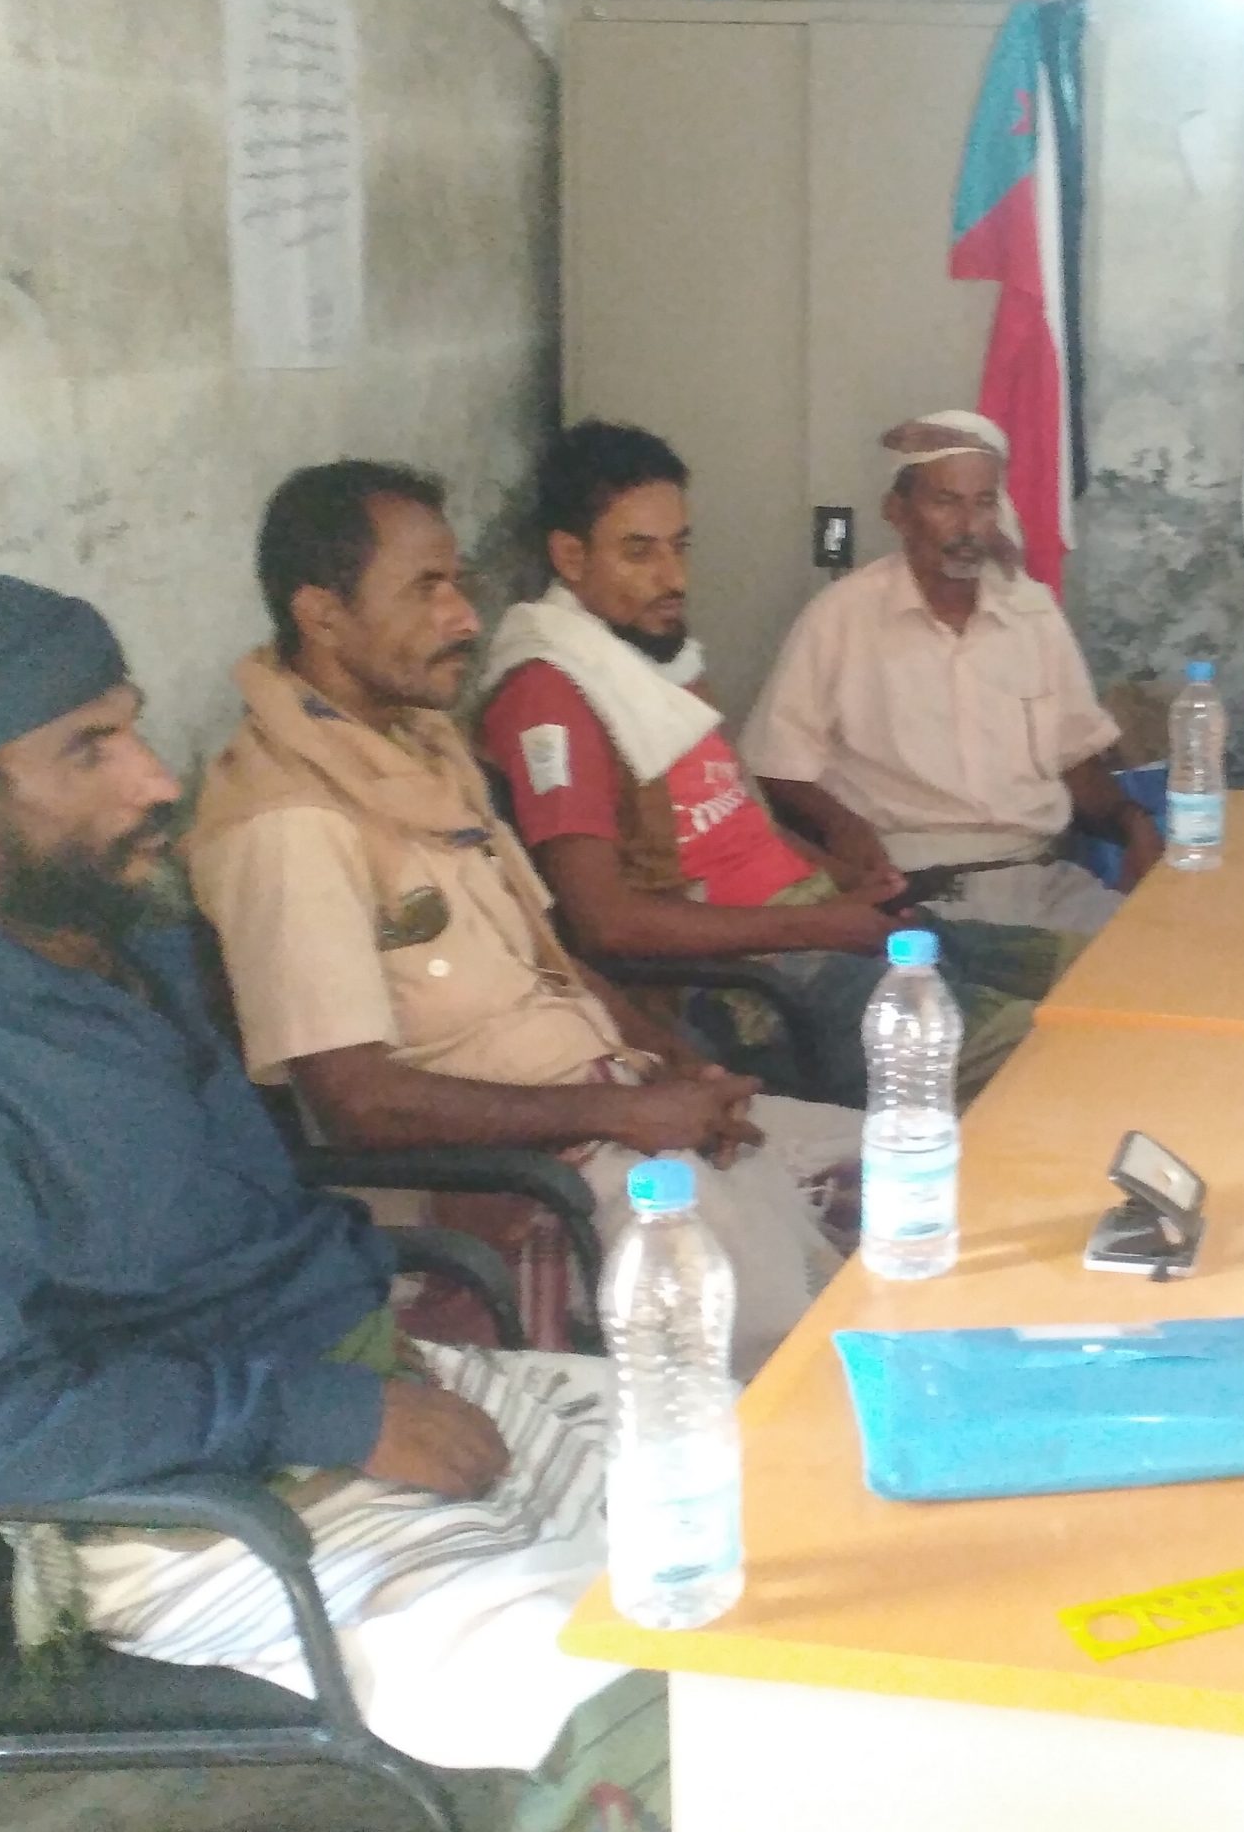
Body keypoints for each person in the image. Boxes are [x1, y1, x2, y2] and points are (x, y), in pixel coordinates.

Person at [0, 574, 672, 1832]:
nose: (155, 778)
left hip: (388, 1391)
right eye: (89, 750)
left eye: (132, 725)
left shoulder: (128, 952)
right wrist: (330, 1415)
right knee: (678, 1719)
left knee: (806, 1510)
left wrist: (365, 1384)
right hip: (214, 1523)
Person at [189, 461, 858, 1362]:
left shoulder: (418, 753)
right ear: (323, 614)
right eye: (426, 589)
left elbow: (553, 962)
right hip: (509, 1183)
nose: (464, 617)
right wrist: (622, 1116)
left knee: (904, 1170)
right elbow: (359, 1103)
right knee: (810, 1337)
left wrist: (677, 1065)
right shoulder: (290, 822)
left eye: (457, 583)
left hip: (606, 1107)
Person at [476, 421, 1059, 1104]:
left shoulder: (648, 658)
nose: (674, 577)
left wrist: (846, 876)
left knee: (1089, 980)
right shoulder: (550, 694)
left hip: (818, 925)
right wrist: (819, 925)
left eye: (680, 546)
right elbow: (606, 922)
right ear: (570, 557)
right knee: (1050, 1056)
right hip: (750, 987)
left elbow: (738, 819)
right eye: (639, 553)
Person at [741, 410, 1159, 936]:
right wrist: (844, 828)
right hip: (915, 884)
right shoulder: (841, 617)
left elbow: (1076, 756)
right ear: (897, 511)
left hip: (1041, 875)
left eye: (983, 504)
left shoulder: (1032, 614)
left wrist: (1133, 822)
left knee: (1151, 959)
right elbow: (777, 764)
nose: (968, 527)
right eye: (946, 502)